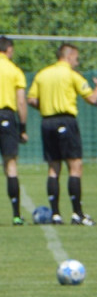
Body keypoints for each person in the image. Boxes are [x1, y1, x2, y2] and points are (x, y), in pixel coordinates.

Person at [26, 43, 97, 226]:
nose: (77, 63)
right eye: (77, 58)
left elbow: (31, 99)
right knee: (75, 166)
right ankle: (77, 214)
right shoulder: (72, 75)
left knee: (53, 168)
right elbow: (92, 98)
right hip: (66, 121)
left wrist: (47, 105)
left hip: (47, 123)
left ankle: (55, 214)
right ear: (69, 56)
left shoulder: (42, 74)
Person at [0, 36, 28, 225]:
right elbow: (20, 101)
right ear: (9, 49)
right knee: (10, 166)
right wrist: (23, 128)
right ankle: (16, 215)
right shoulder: (14, 70)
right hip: (6, 117)